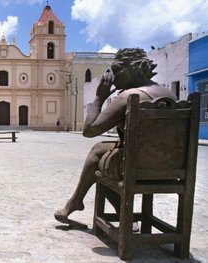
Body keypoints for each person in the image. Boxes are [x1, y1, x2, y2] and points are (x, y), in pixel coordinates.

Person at [54, 48, 177, 227]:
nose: (113, 76)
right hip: (171, 168)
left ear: (135, 68)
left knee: (99, 160)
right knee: (102, 151)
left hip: (136, 167)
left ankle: (83, 204)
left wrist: (99, 97)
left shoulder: (129, 96)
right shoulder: (170, 94)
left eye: (117, 69)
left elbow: (89, 130)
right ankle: (84, 205)